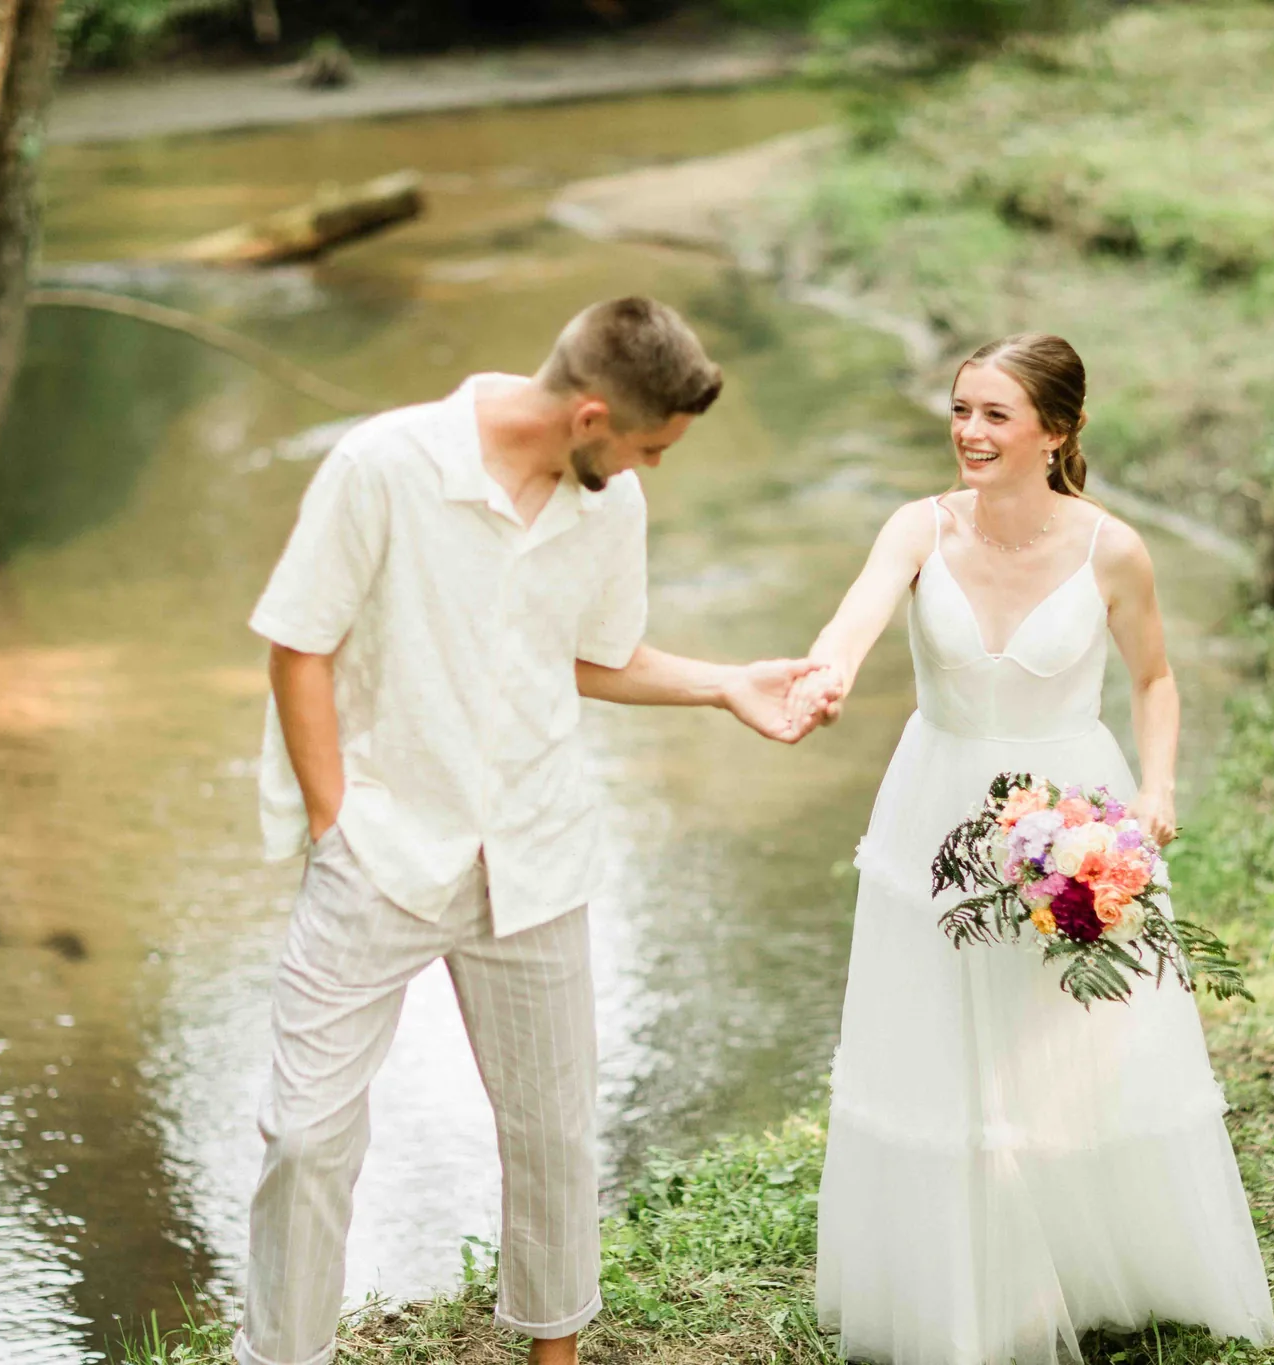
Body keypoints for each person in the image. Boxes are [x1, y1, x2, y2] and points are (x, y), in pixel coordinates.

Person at [236, 297, 834, 1365]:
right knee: (303, 1136)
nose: (653, 467)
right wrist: (337, 825)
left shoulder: (608, 507)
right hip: (380, 854)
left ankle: (552, 1356)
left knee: (554, 1135)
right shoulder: (385, 465)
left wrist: (723, 685)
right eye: (649, 445)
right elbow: (299, 644)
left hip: (535, 849)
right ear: (592, 414)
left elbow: (593, 654)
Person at [794, 334, 1274, 1363]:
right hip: (937, 813)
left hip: (1075, 812)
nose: (968, 431)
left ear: (1054, 431)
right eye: (960, 409)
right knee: (943, 1039)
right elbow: (854, 619)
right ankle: (985, 1283)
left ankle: (1086, 1254)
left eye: (993, 415)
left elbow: (1152, 679)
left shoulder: (1112, 548)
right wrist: (823, 675)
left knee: (1072, 1038)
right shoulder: (915, 529)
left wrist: (1154, 790)